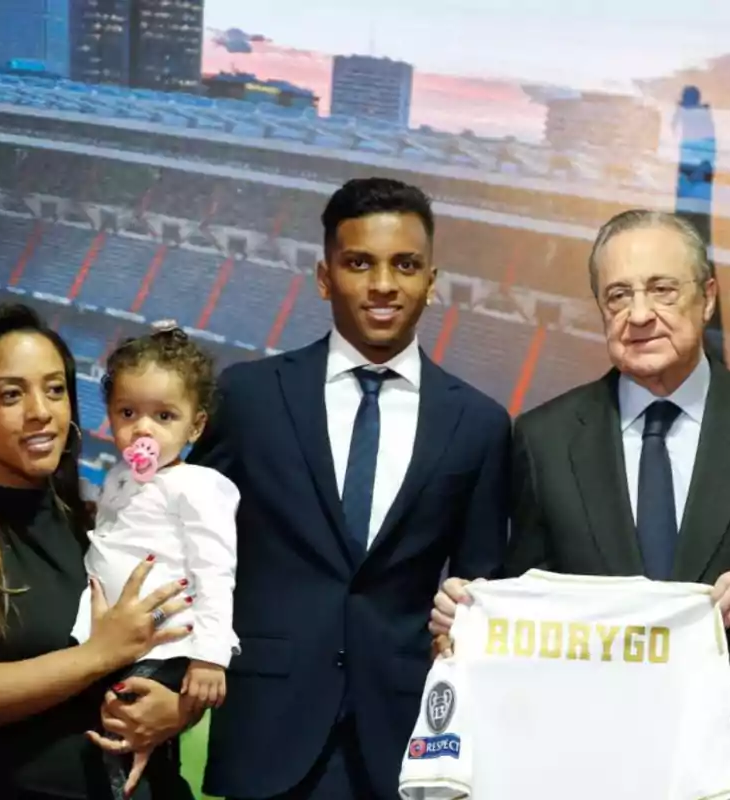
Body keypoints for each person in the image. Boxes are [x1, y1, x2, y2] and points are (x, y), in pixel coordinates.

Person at [431, 209, 730, 799]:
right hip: (589, 767)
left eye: (663, 289)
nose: (639, 315)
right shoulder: (543, 439)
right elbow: (525, 600)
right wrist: (471, 618)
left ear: (708, 296)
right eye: (618, 296)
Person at [189, 177, 511, 800]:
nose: (384, 284)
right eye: (359, 263)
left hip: (405, 738)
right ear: (323, 275)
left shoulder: (478, 424)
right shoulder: (249, 397)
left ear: (431, 280)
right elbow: (191, 545)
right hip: (266, 732)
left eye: (406, 265)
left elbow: (481, 585)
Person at [0, 302, 195, 799]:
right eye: (11, 394)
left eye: (55, 389)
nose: (41, 411)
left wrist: (180, 709)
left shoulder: (95, 521)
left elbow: (168, 641)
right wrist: (99, 655)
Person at [70, 324, 240, 799]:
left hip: (165, 646)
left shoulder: (199, 486)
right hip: (116, 642)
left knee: (124, 727)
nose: (143, 429)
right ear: (109, 415)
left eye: (164, 416)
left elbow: (214, 569)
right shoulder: (120, 477)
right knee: (123, 739)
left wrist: (209, 656)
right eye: (129, 413)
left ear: (196, 426)